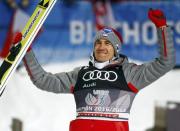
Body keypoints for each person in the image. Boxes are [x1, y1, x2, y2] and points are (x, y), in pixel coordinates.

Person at [13, 9, 175, 131]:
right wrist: (26, 52)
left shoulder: (130, 73)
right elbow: (43, 80)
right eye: (98, 42)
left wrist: (162, 28)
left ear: (116, 49)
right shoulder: (80, 74)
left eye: (107, 43)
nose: (101, 47)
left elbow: (166, 62)